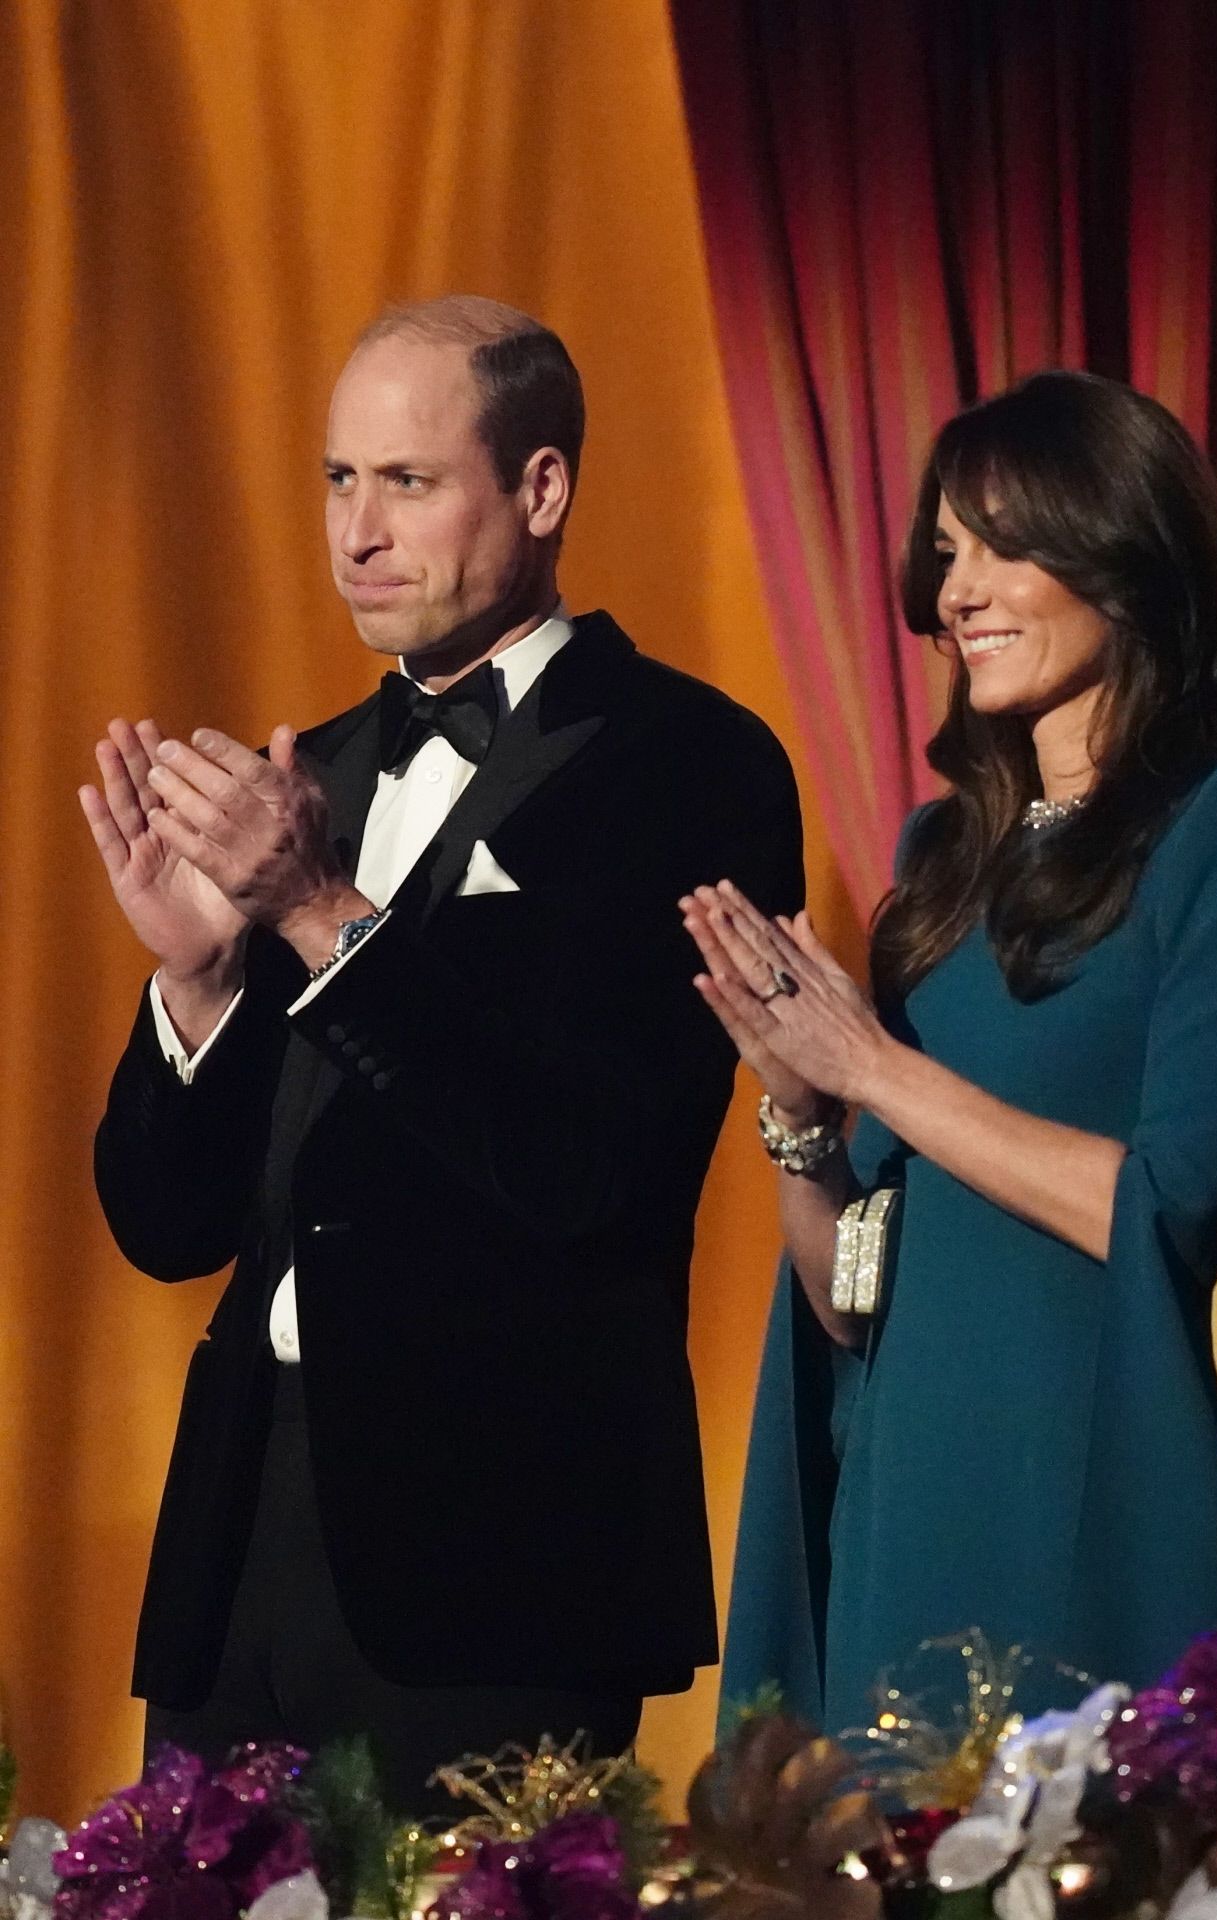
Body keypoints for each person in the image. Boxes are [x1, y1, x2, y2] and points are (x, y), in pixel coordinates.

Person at [81, 295, 803, 1807]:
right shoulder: (314, 774)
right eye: (339, 480)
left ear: (540, 490)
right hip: (244, 1543)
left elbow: (584, 1169)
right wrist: (196, 982)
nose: (357, 530)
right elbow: (168, 1227)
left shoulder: (691, 765)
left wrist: (330, 918)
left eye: (407, 482)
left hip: (500, 1551)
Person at [681, 370, 1217, 1734]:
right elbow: (850, 1297)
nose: (955, 590)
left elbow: (1167, 1208)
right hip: (901, 1508)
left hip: (1076, 1511)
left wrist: (882, 1068)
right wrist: (801, 1117)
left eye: (1003, 544)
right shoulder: (936, 862)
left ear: (1122, 557)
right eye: (945, 552)